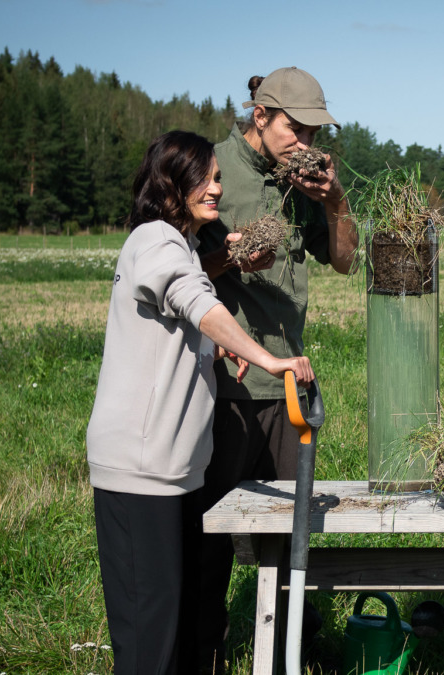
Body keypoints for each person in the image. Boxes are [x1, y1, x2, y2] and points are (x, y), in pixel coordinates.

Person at [86, 130, 314, 675]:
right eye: (208, 178)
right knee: (150, 636)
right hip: (141, 470)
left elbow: (174, 325)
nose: (217, 187)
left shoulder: (181, 246)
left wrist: (211, 352)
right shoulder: (156, 242)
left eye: (218, 176)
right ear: (173, 183)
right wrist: (268, 358)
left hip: (171, 469)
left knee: (172, 624)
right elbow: (199, 305)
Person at [194, 67, 357, 671]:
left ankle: (296, 647)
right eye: (296, 128)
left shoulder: (305, 183)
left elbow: (343, 262)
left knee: (291, 526)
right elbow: (175, 273)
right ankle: (206, 648)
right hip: (226, 386)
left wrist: (335, 200)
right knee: (211, 530)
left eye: (316, 131)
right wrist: (230, 255)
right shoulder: (211, 169)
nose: (306, 142)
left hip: (291, 382)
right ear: (260, 116)